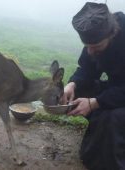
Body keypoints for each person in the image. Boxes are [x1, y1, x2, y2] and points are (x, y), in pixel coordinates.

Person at [62, 2, 125, 170]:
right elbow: (87, 69)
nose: (90, 51)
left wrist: (95, 102)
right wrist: (72, 84)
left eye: (96, 47)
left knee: (113, 117)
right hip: (117, 88)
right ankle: (95, 150)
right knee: (76, 93)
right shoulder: (96, 40)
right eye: (87, 47)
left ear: (113, 34)